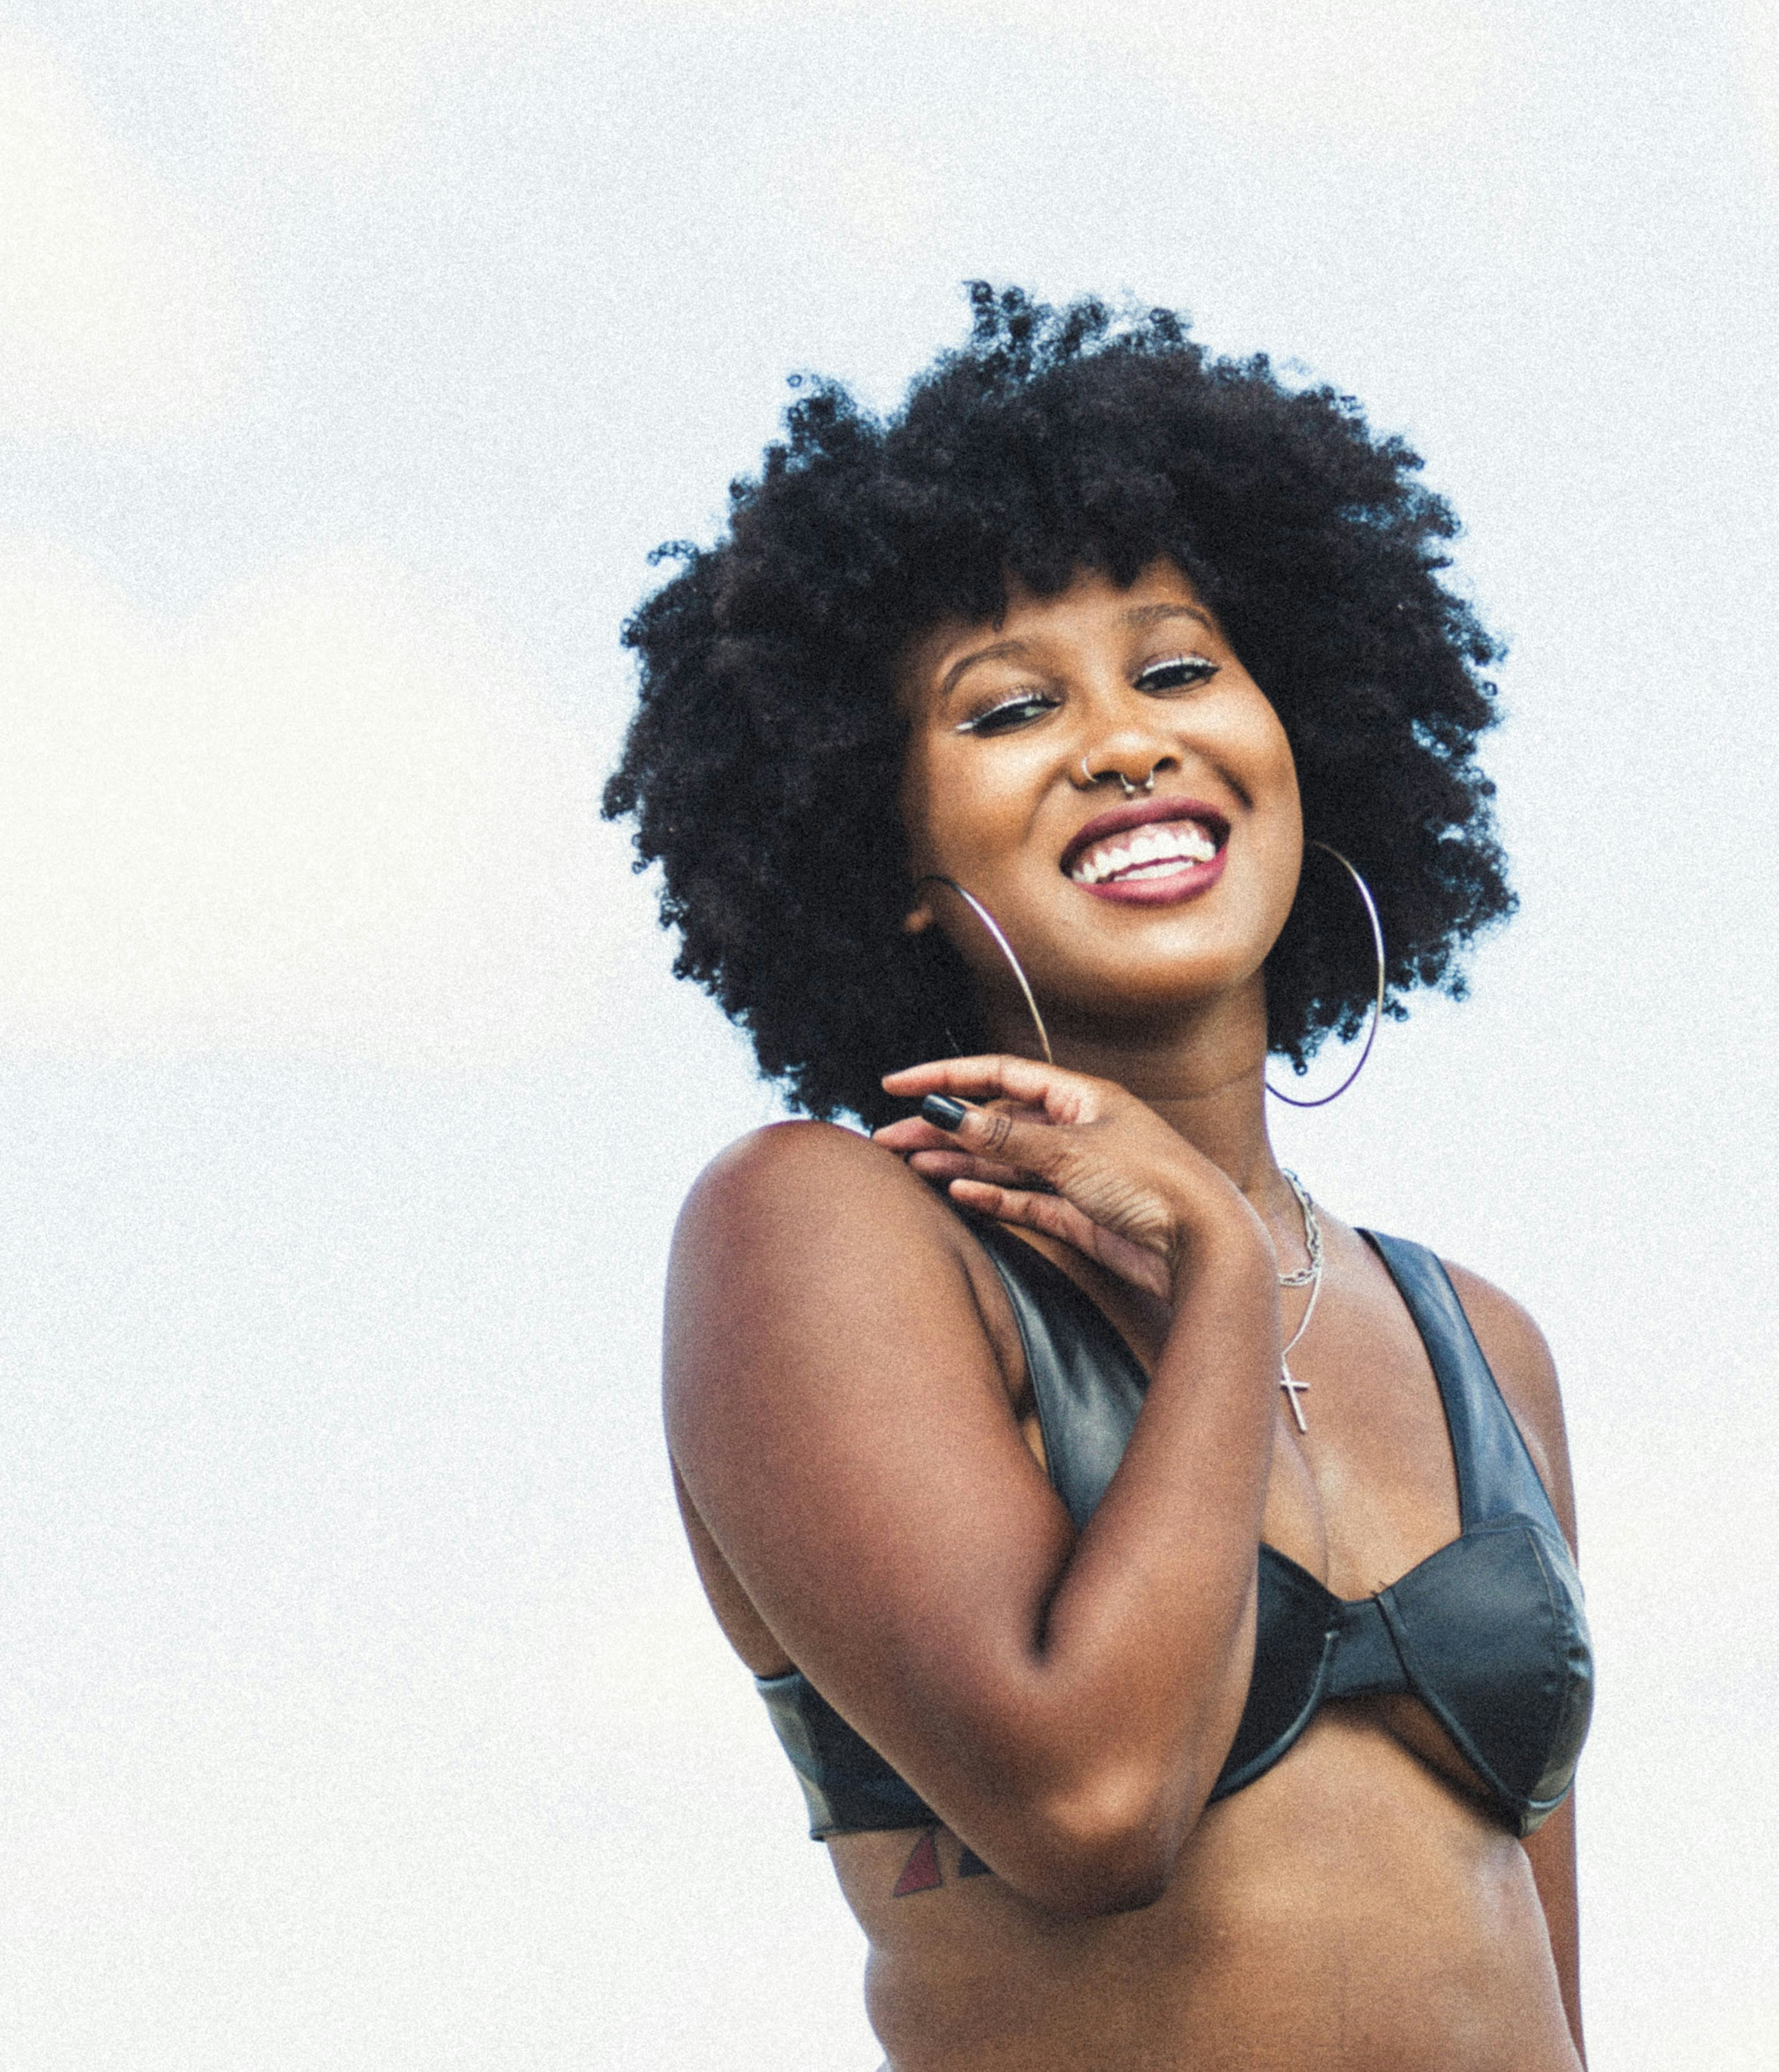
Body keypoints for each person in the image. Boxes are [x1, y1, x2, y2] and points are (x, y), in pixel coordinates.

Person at [605, 287, 1592, 2071]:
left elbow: (1547, 1978)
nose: (1125, 741)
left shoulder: (1482, 1345)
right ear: (887, 848)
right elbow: (1092, 1800)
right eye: (1008, 709)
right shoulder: (814, 1230)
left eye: (1178, 667)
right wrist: (1215, 1284)